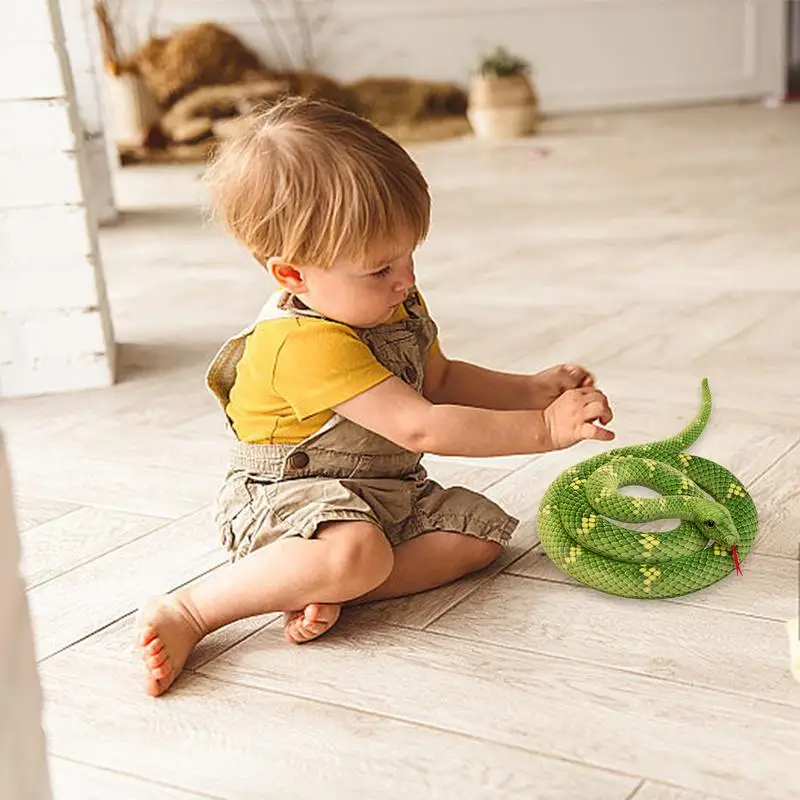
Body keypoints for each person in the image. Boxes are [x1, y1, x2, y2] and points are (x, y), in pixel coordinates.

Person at [135, 96, 614, 697]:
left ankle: (324, 585)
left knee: (476, 539)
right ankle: (195, 611)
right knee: (358, 550)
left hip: (383, 489)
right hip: (287, 497)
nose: (406, 278)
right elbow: (421, 427)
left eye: (409, 253)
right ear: (292, 275)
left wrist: (532, 391)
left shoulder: (391, 298)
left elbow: (437, 380)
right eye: (380, 266)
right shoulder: (301, 344)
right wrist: (542, 431)